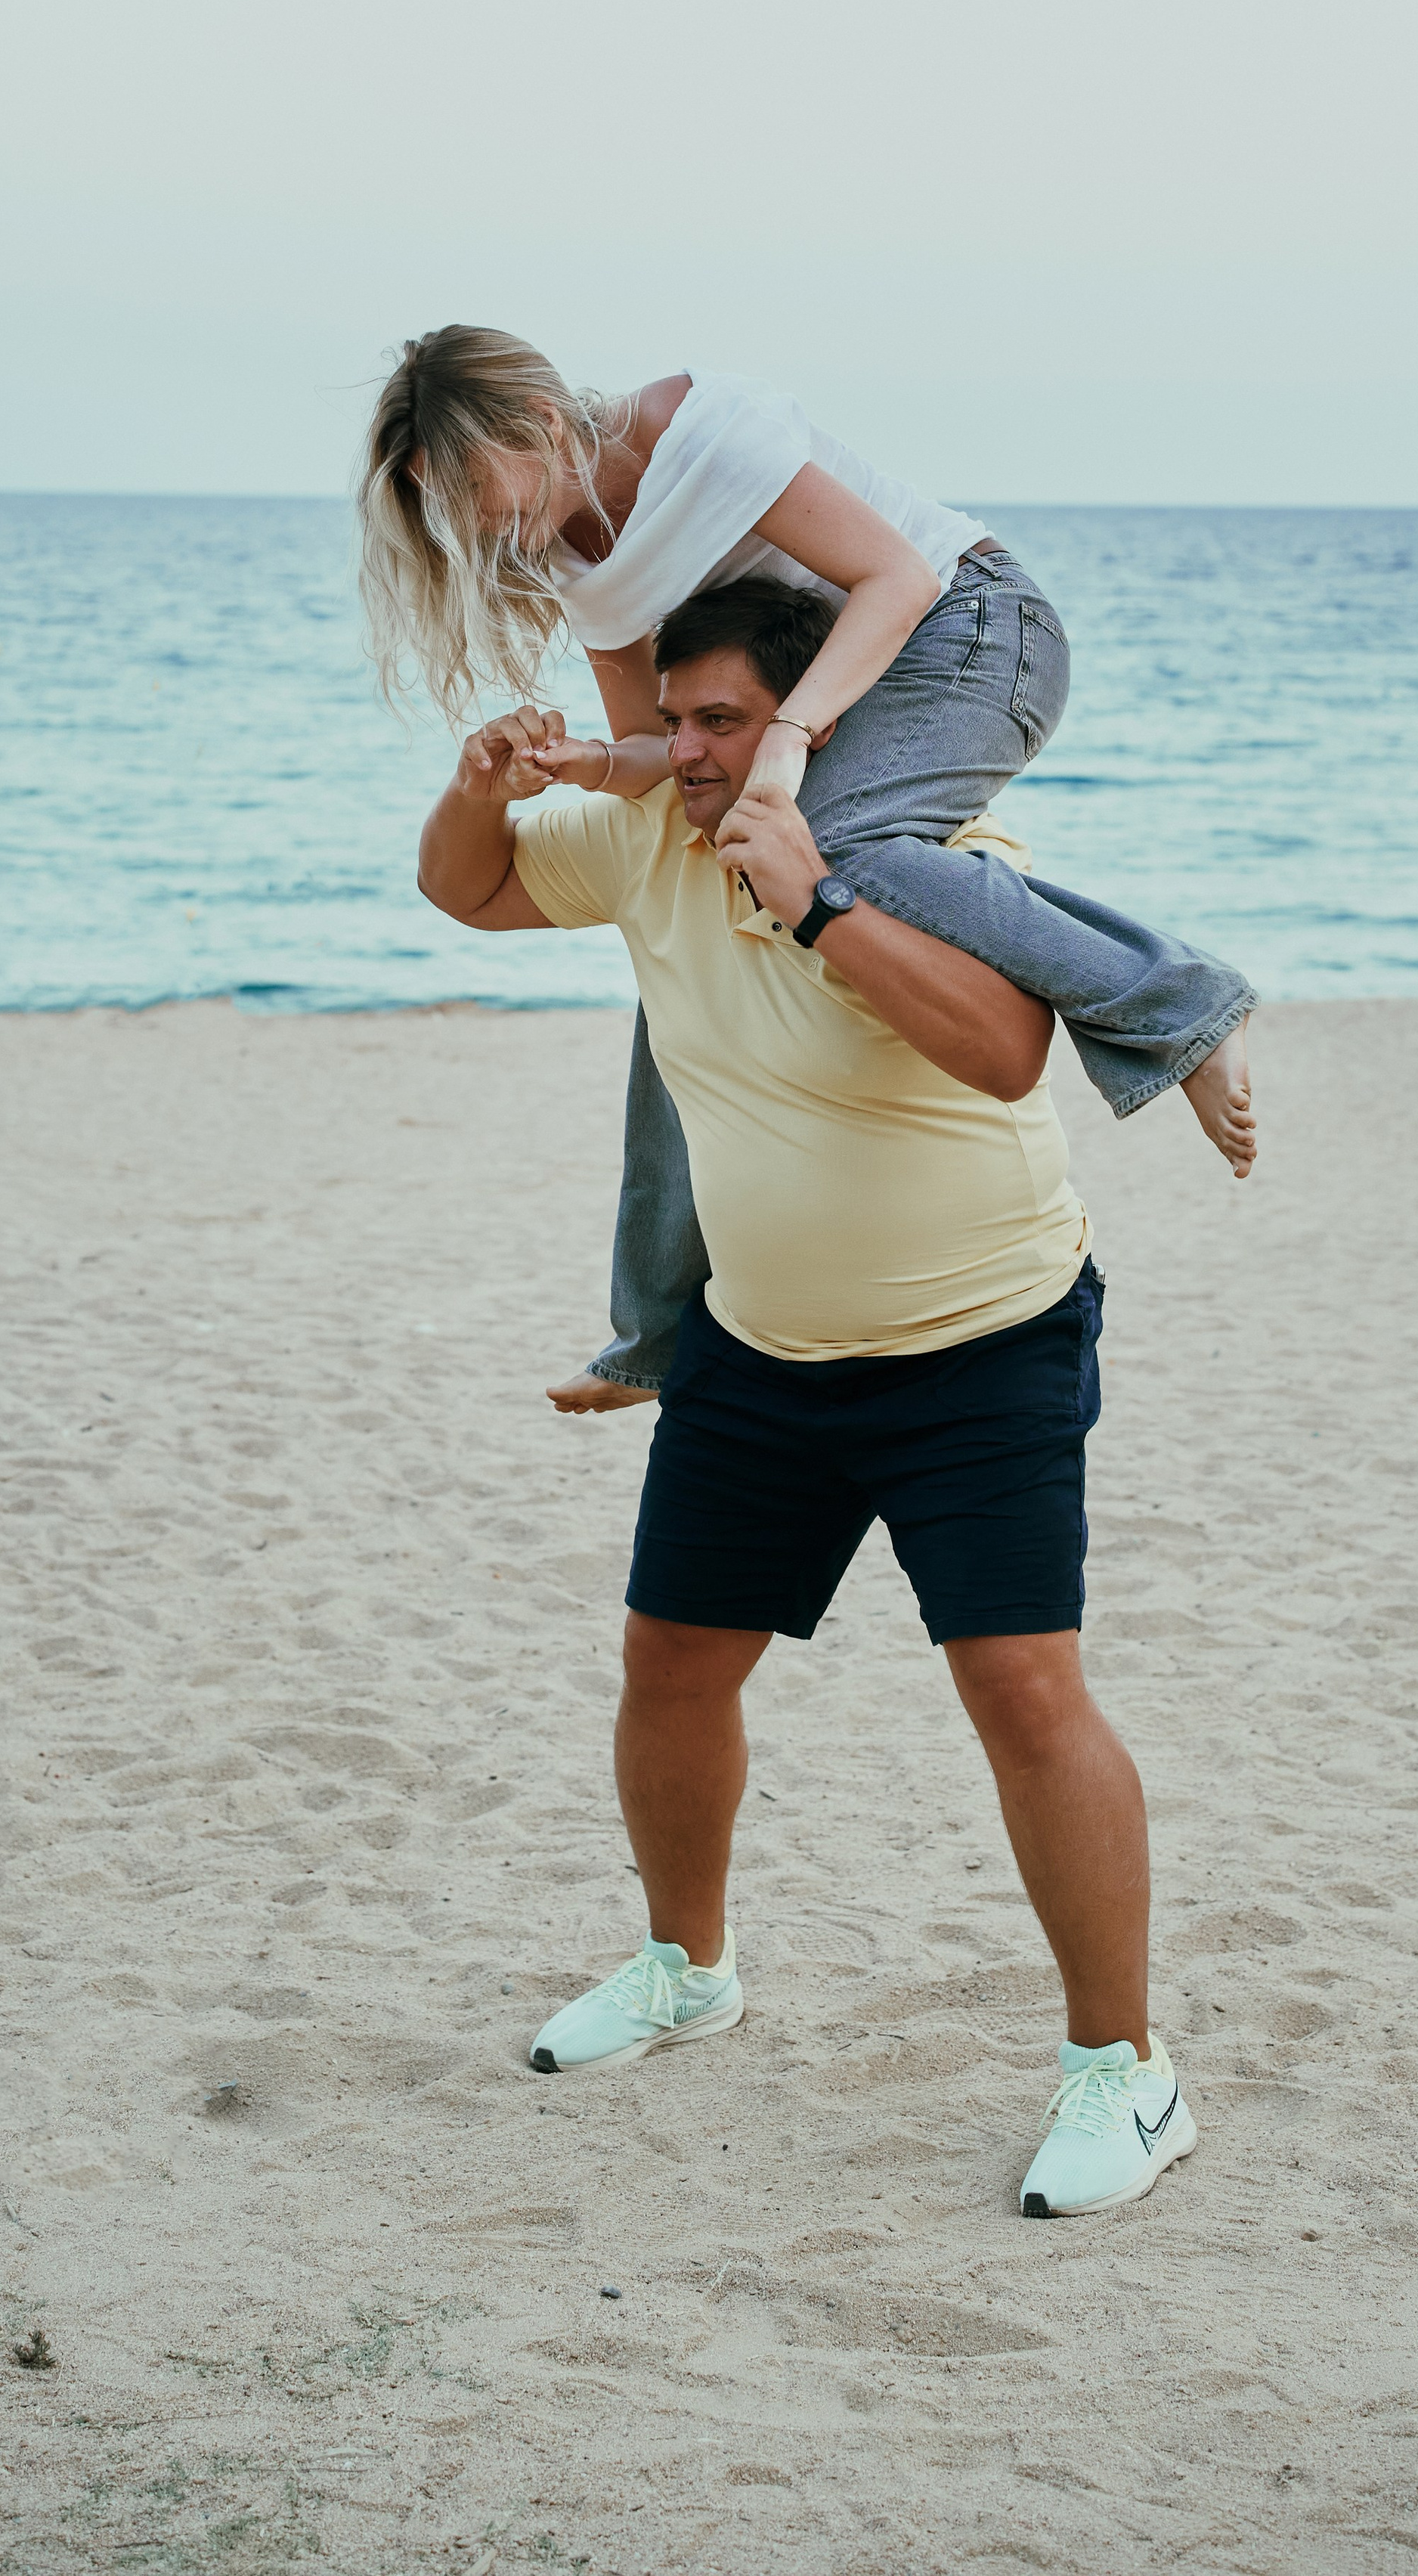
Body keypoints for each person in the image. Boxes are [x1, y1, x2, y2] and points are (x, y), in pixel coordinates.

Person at [415, 578, 1197, 2219]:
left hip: (982, 1345)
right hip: (759, 1350)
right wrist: (479, 784)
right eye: (673, 720)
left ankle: (1124, 2076)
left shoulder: (924, 856)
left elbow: (1005, 1051)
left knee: (1021, 1692)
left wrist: (820, 899)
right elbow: (465, 891)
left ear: (810, 729)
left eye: (724, 721)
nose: (688, 751)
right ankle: (686, 1969)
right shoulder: (642, 840)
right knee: (672, 1665)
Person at [360, 328, 1257, 1416]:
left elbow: (899, 577)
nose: (465, 521)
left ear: (539, 423)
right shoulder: (573, 561)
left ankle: (1177, 1002)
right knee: (690, 965)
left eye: (467, 485)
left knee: (849, 849)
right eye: (438, 503)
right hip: (827, 687)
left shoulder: (702, 433)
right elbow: (654, 751)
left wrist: (787, 740)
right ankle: (654, 1333)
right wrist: (583, 763)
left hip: (970, 629)